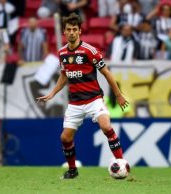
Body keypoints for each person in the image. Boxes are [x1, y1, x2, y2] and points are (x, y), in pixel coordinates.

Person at [37, 13, 129, 179]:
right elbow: (64, 75)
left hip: (94, 99)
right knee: (65, 137)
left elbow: (106, 73)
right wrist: (51, 93)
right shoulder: (62, 53)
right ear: (64, 32)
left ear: (79, 31)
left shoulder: (89, 51)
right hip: (75, 103)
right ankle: (72, 170)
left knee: (106, 127)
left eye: (74, 29)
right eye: (68, 30)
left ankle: (121, 162)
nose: (71, 32)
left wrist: (119, 95)